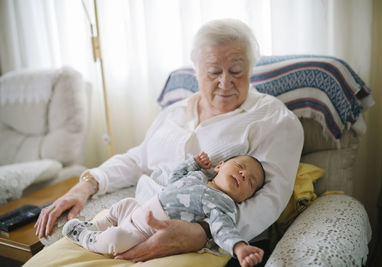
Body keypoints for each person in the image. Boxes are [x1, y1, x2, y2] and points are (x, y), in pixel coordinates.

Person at [34, 18, 303, 265]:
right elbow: (137, 159)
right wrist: (86, 185)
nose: (225, 82)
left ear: (250, 69)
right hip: (135, 217)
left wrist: (202, 233)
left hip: (206, 241)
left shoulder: (276, 120)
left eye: (236, 70)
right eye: (213, 71)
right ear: (196, 72)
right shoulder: (174, 112)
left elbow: (272, 198)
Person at [62, 152, 265, 267]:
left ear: (246, 197)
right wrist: (193, 163)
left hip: (145, 234)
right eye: (239, 165)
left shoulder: (224, 205)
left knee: (115, 239)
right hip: (139, 211)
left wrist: (239, 247)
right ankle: (97, 224)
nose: (243, 174)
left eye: (252, 181)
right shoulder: (198, 176)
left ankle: (84, 236)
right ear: (219, 166)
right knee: (125, 203)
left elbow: (223, 229)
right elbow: (174, 179)